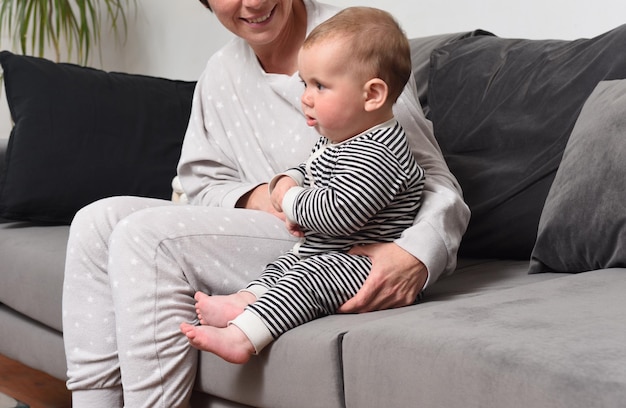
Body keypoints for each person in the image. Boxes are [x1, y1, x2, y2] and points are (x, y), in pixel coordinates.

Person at [61, 0, 470, 407]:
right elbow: (203, 184)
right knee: (96, 221)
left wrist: (415, 255)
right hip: (280, 220)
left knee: (144, 237)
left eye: (317, 87)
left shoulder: (351, 45)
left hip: (339, 241)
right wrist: (266, 193)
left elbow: (428, 178)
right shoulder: (220, 72)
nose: (253, 2)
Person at [180, 6, 426, 364]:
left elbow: (338, 213)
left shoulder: (380, 153)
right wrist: (288, 179)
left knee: (306, 280)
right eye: (305, 84)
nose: (305, 98)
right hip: (335, 250)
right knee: (284, 265)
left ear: (372, 95)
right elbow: (310, 167)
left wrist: (290, 199)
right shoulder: (340, 137)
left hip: (364, 259)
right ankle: (247, 299)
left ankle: (244, 336)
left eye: (319, 86)